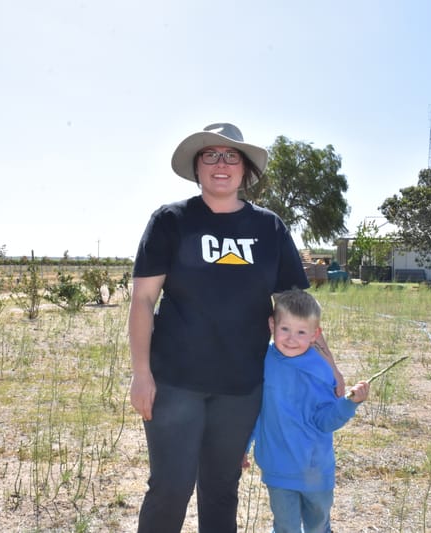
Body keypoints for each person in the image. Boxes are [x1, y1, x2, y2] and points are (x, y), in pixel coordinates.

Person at [128, 122, 344, 533]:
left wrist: (328, 365)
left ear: (245, 170)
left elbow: (297, 308)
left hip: (242, 385)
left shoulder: (269, 228)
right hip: (175, 382)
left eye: (231, 156)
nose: (221, 164)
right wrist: (141, 374)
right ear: (197, 168)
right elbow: (142, 300)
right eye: (210, 155)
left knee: (222, 486)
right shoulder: (171, 221)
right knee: (170, 487)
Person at [248, 288, 369, 533]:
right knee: (286, 527)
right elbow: (253, 410)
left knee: (317, 524)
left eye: (301, 332)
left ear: (315, 334)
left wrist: (348, 404)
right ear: (272, 325)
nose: (292, 339)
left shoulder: (322, 371)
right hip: (277, 466)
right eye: (285, 329)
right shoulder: (262, 361)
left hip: (315, 469)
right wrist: (241, 447)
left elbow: (324, 421)